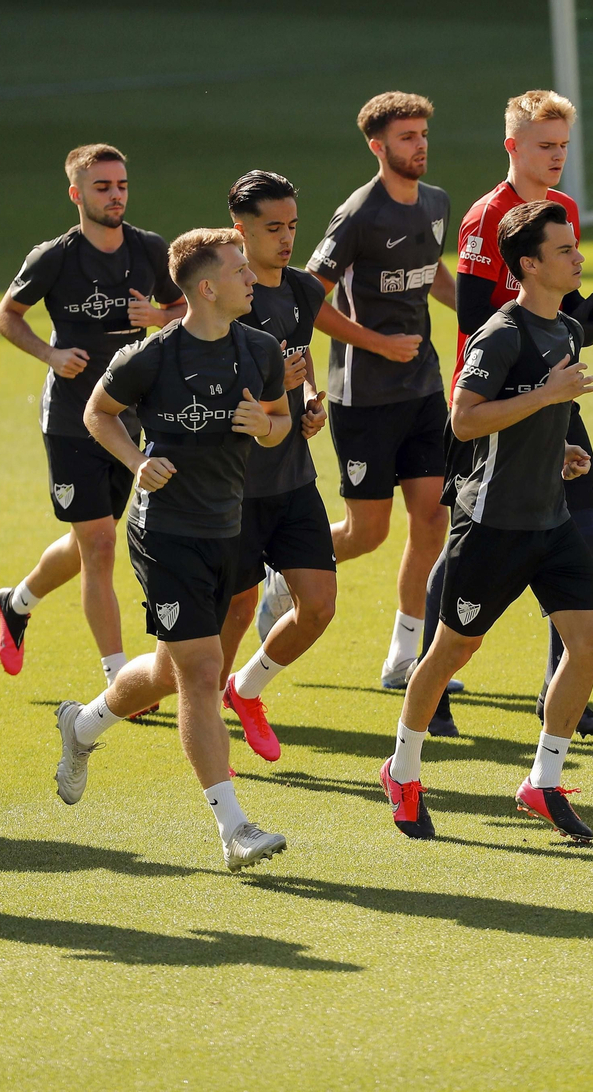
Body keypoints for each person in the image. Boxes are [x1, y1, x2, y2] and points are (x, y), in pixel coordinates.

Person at [51, 228, 292, 873]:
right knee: (203, 671)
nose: (251, 276)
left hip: (228, 529)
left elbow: (281, 422)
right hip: (166, 535)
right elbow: (97, 414)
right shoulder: (149, 357)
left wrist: (262, 426)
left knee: (168, 671)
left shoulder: (262, 349)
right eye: (240, 267)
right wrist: (136, 462)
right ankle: (233, 827)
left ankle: (81, 727)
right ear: (206, 287)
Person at [416, 89, 593, 739]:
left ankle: (559, 688)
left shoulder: (563, 210)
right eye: (545, 146)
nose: (557, 158)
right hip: (494, 403)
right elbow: (472, 320)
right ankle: (428, 685)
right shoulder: (486, 218)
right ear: (512, 146)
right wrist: (538, 384)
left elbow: (553, 313)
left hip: (555, 396)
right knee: (470, 543)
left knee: (584, 529)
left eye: (564, 146)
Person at [381, 200, 593, 841]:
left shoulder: (565, 329)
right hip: (494, 524)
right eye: (565, 251)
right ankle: (402, 769)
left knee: (590, 643)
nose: (578, 257)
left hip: (551, 519)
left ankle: (543, 780)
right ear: (530, 265)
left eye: (575, 247)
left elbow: (528, 416)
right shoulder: (501, 334)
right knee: (453, 650)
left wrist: (557, 446)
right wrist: (546, 398)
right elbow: (465, 418)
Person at [0, 144, 183, 686]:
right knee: (99, 544)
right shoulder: (54, 256)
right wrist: (50, 354)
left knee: (87, 541)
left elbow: (191, 305)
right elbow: (6, 316)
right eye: (102, 187)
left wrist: (161, 314)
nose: (115, 194)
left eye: (121, 185)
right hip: (72, 420)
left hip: (132, 416)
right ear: (77, 194)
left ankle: (17, 602)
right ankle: (119, 677)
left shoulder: (149, 249)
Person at [306, 92, 456, 690]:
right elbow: (309, 297)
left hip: (421, 388)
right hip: (362, 395)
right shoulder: (357, 216)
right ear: (378, 146)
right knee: (368, 533)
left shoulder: (438, 203)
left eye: (422, 134)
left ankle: (404, 657)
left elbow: (432, 269)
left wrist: (476, 307)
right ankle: (281, 570)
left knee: (432, 517)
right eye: (406, 137)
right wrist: (374, 342)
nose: (419, 145)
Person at [212, 171, 335, 762]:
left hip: (291, 477)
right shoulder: (222, 294)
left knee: (318, 605)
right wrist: (270, 388)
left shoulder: (305, 290)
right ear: (241, 230)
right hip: (233, 485)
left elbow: (301, 361)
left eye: (292, 226)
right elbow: (209, 383)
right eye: (272, 228)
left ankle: (245, 690)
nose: (286, 239)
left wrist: (310, 404)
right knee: (234, 608)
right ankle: (206, 715)